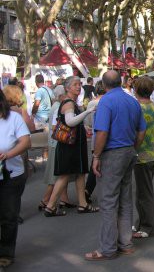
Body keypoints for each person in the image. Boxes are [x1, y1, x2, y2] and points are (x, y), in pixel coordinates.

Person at [85, 70, 146, 261]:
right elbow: (142, 130)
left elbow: (102, 132)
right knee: (125, 198)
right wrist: (133, 147)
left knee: (109, 201)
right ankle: (125, 243)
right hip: (128, 150)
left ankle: (108, 248)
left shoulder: (106, 102)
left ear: (103, 85)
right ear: (120, 82)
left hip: (112, 153)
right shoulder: (132, 101)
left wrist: (96, 156)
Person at [44, 77, 98, 217]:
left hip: (74, 145)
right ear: (67, 88)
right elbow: (70, 122)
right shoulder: (69, 103)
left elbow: (72, 122)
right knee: (65, 175)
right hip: (70, 146)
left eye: (79, 84)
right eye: (75, 85)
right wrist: (88, 111)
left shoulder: (71, 102)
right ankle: (50, 207)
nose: (78, 87)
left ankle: (82, 204)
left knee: (80, 173)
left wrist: (84, 127)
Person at [0, 89, 31, 269]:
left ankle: (5, 252)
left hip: (11, 175)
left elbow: (26, 142)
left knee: (8, 215)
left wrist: (7, 154)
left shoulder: (13, 118)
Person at [132, 77, 154, 239]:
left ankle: (148, 225)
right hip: (153, 152)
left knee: (144, 192)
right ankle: (142, 221)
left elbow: (135, 131)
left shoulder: (138, 108)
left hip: (142, 154)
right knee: (143, 191)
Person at [39, 85, 74, 211]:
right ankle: (46, 200)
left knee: (59, 173)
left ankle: (64, 199)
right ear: (61, 95)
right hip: (57, 143)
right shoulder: (59, 106)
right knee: (57, 175)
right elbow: (56, 127)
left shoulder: (56, 105)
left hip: (54, 142)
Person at [84, 81, 106, 203]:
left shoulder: (91, 103)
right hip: (105, 138)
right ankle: (89, 190)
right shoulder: (106, 102)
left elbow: (87, 122)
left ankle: (88, 190)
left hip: (95, 138)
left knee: (95, 164)